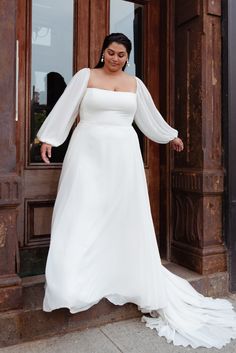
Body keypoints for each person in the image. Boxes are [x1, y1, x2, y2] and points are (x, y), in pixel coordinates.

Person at [37, 33, 236, 349]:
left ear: (127, 57)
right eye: (111, 53)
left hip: (124, 156)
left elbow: (147, 116)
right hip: (87, 152)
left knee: (123, 216)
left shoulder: (135, 83)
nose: (115, 59)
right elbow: (65, 107)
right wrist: (49, 137)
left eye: (121, 55)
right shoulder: (85, 76)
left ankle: (122, 275)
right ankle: (72, 284)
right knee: (82, 211)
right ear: (103, 53)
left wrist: (170, 136)